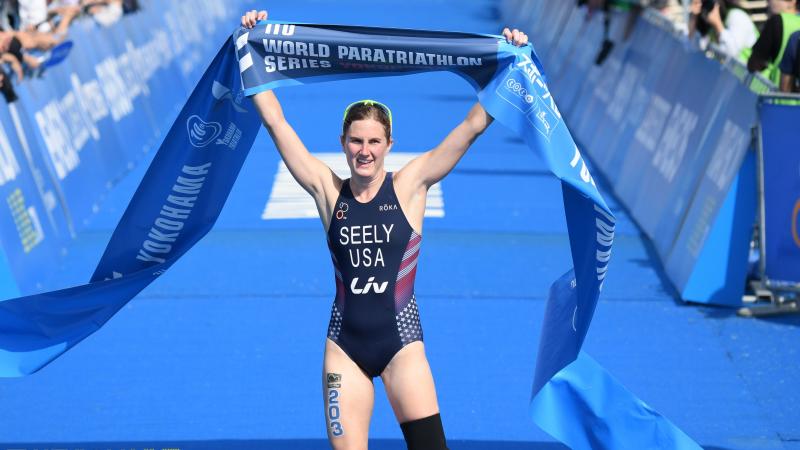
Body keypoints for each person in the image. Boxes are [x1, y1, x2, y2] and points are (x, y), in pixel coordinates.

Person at [241, 9, 529, 450]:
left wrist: (512, 60)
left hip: (402, 347)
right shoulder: (327, 191)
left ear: (389, 145)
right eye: (356, 141)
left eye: (374, 142)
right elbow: (276, 122)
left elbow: (471, 127)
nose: (364, 151)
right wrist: (248, 45)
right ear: (343, 143)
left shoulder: (411, 185)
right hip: (343, 349)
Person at [747, 0, 800, 85]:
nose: (768, 1)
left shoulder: (777, 21)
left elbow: (753, 64)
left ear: (792, 1)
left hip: (779, 95)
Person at [688, 0, 758, 62]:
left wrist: (718, 25)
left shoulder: (737, 16)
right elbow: (693, 46)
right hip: (732, 75)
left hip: (751, 75)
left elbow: (732, 53)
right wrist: (694, 16)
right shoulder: (712, 29)